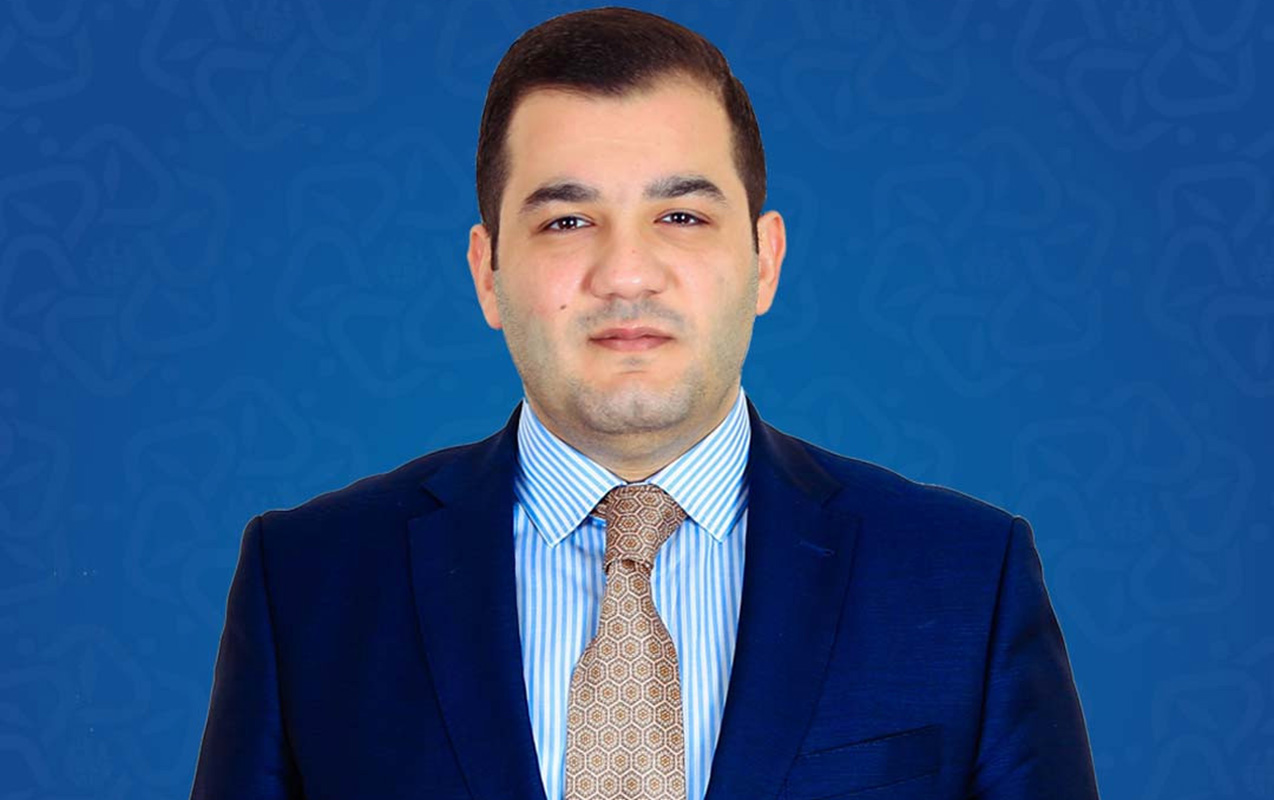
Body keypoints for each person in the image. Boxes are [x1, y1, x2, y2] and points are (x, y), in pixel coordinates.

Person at [190, 7, 1100, 800]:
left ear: (765, 260)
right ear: (488, 273)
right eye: (567, 221)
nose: (626, 274)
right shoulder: (306, 583)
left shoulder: (966, 580)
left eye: (682, 217)